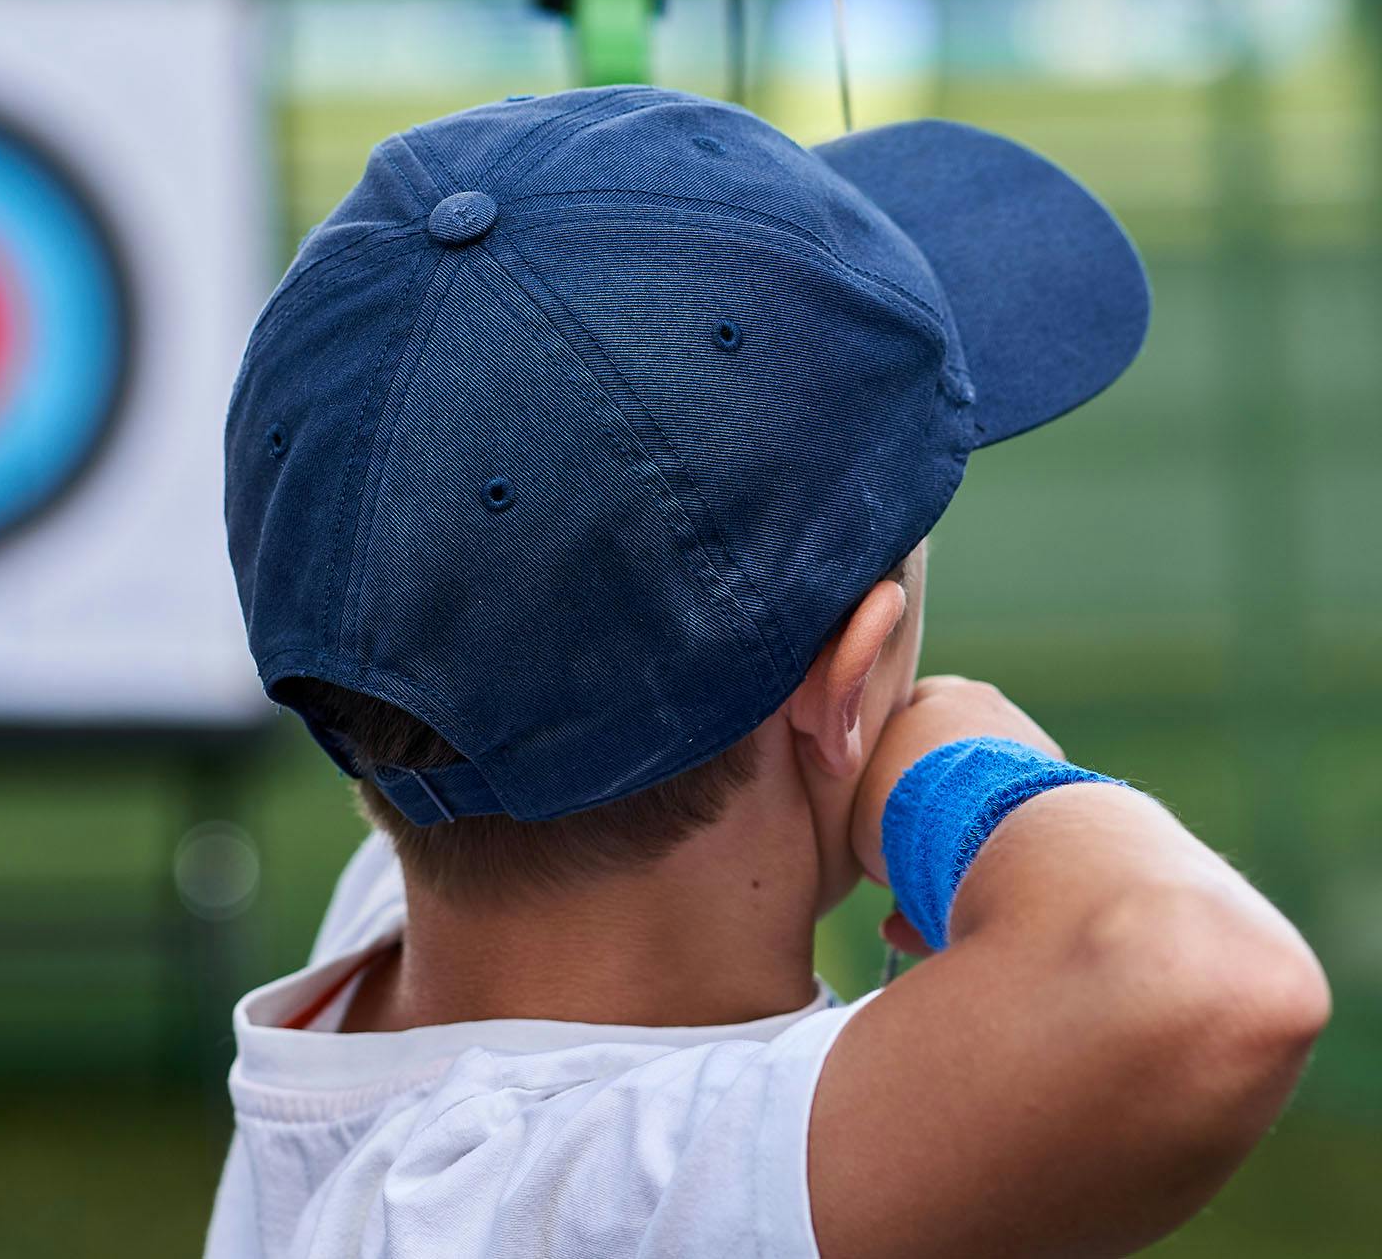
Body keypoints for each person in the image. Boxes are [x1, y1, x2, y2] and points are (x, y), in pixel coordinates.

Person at [206, 87, 1328, 1259]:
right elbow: (1210, 988)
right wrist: (954, 781)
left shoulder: (411, 916)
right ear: (848, 685)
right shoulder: (551, 1200)